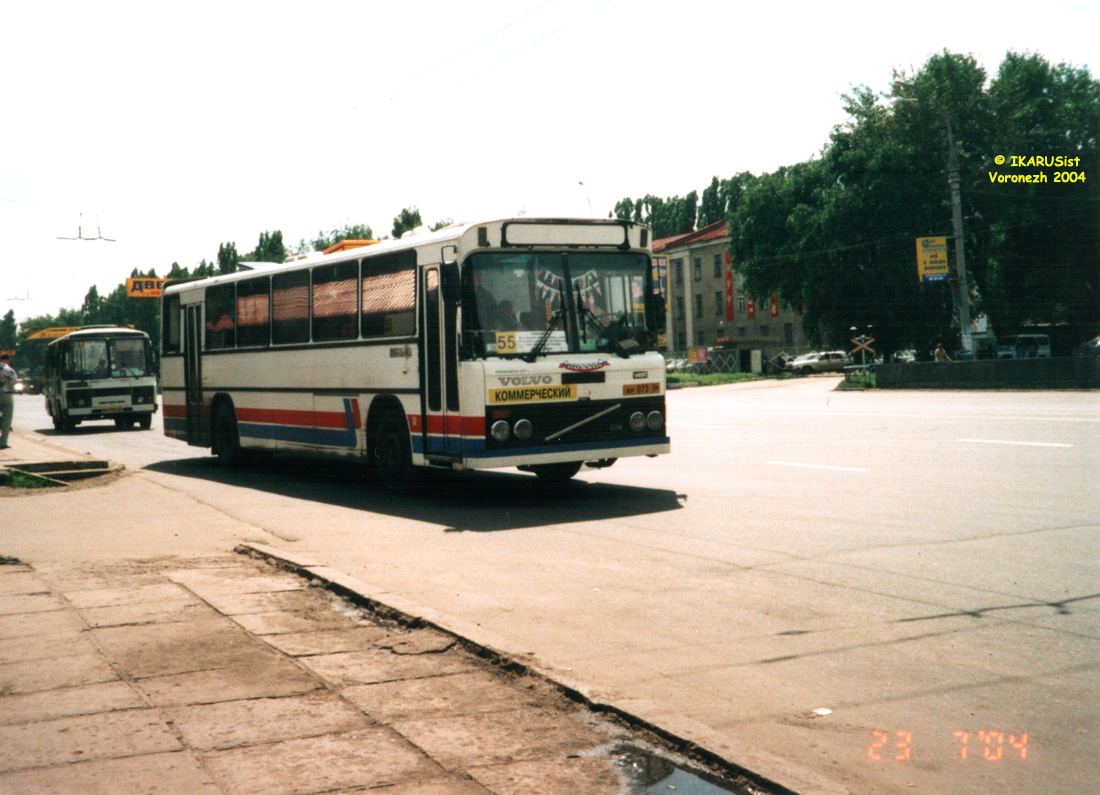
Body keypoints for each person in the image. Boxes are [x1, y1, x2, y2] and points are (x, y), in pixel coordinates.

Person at [0, 353, 16, 449]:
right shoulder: (9, 370)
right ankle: (3, 442)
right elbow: (14, 380)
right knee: (7, 419)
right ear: (8, 360)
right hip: (7, 396)